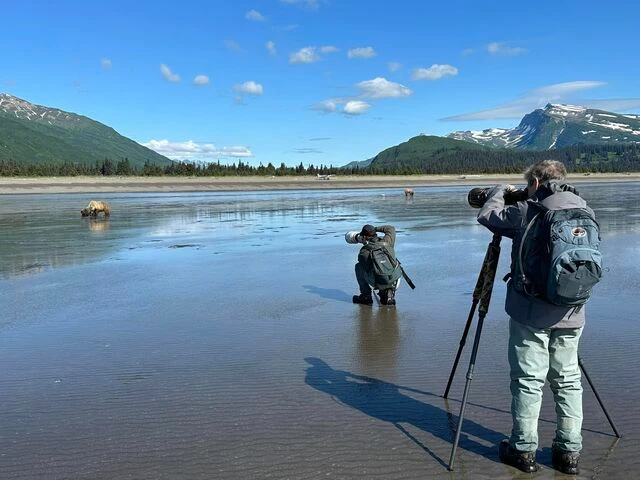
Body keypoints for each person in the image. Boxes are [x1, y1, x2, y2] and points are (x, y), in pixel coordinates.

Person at [476, 160, 592, 475]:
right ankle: (568, 453)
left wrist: (500, 192)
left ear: (536, 184)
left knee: (529, 381)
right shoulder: (583, 209)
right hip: (573, 310)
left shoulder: (528, 211)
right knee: (568, 381)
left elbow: (488, 216)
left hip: (531, 311)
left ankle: (523, 449)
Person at [352, 224, 401, 306]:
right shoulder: (388, 242)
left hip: (378, 281)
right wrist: (375, 229)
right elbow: (390, 228)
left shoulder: (364, 252)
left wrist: (365, 244)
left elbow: (367, 268)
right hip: (394, 279)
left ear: (364, 237)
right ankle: (387, 293)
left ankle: (366, 296)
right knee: (386, 266)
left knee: (359, 267)